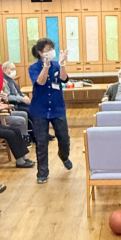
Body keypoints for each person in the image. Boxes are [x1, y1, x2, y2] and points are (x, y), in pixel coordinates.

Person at [29, 38, 72, 184]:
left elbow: (64, 79)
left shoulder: (56, 65)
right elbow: (40, 82)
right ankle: (42, 172)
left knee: (64, 137)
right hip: (39, 109)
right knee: (41, 142)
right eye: (48, 50)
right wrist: (45, 67)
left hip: (57, 107)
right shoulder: (34, 68)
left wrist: (62, 64)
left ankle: (64, 156)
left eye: (52, 49)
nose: (51, 52)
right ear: (40, 52)